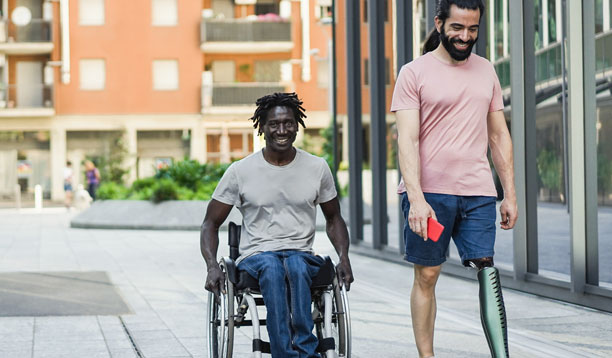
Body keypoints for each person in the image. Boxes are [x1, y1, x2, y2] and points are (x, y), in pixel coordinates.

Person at [391, 1, 517, 357]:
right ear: (440, 24)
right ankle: (427, 355)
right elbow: (407, 140)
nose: (465, 36)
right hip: (430, 198)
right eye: (458, 28)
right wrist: (416, 199)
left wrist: (509, 193)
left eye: (472, 29)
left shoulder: (486, 71)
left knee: (487, 271)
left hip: (477, 194)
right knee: (428, 275)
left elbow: (499, 136)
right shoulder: (414, 73)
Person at [201, 92, 354, 358]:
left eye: (288, 123)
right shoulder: (240, 171)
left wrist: (344, 257)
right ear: (262, 127)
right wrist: (212, 265)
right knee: (273, 266)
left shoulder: (317, 168)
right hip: (257, 256)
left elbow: (334, 218)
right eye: (274, 124)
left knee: (294, 264)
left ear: (297, 125)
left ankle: (301, 350)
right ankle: (290, 354)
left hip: (301, 255)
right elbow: (210, 223)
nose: (281, 130)